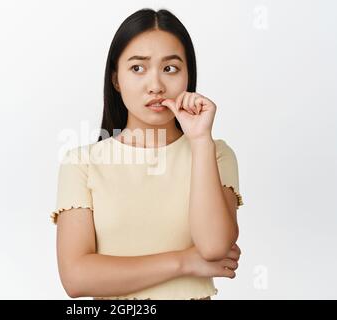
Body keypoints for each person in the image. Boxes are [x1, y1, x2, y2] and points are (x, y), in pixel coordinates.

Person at [50, 8, 244, 300]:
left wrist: (201, 139)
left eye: (170, 68)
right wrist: (184, 262)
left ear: (188, 77)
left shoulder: (215, 154)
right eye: (138, 68)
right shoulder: (82, 164)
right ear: (116, 79)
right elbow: (76, 278)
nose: (155, 86)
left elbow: (214, 247)